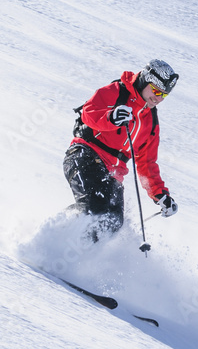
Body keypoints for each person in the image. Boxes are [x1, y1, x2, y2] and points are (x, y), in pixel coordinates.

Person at [63, 59, 179, 243]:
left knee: (114, 222)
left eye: (163, 95)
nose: (158, 98)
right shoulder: (117, 92)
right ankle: (59, 235)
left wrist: (160, 195)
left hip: (113, 175)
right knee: (95, 209)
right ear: (145, 81)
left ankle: (82, 253)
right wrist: (111, 117)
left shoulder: (150, 121)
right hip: (86, 156)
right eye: (156, 91)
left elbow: (146, 162)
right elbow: (88, 113)